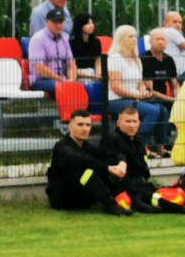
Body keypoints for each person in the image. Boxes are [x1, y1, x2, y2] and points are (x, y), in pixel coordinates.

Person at [46, 109, 129, 216]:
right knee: (84, 169)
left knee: (110, 162)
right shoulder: (62, 147)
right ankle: (111, 205)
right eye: (80, 125)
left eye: (88, 125)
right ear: (70, 126)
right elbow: (81, 159)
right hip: (62, 198)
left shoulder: (87, 146)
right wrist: (108, 168)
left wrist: (122, 163)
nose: (84, 129)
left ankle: (122, 199)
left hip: (81, 197)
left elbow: (110, 154)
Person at [106, 25, 171, 157]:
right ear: (121, 39)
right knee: (152, 111)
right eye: (130, 36)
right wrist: (138, 94)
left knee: (162, 110)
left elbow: (140, 83)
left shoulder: (136, 59)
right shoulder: (115, 58)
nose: (134, 39)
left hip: (134, 98)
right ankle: (141, 148)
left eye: (135, 36)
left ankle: (161, 148)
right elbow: (115, 87)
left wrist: (143, 91)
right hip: (116, 101)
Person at [27, 8, 77, 95]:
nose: (58, 25)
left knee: (83, 87)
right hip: (41, 80)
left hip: (62, 79)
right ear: (46, 22)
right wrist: (60, 79)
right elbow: (40, 68)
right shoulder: (38, 39)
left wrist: (71, 80)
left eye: (61, 22)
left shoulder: (65, 38)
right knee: (63, 87)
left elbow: (71, 64)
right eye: (55, 22)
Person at [140, 28, 178, 111]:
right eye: (157, 39)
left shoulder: (168, 59)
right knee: (171, 106)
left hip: (164, 97)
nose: (160, 42)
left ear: (166, 42)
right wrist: (170, 99)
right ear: (150, 42)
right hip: (151, 97)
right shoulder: (144, 59)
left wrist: (178, 97)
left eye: (163, 39)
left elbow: (174, 84)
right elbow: (149, 89)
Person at [69, 13, 103, 84]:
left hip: (93, 74)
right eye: (88, 23)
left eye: (92, 23)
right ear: (80, 25)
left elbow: (98, 62)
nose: (91, 25)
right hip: (79, 75)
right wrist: (90, 76)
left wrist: (98, 73)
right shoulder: (72, 43)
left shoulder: (96, 42)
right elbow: (71, 67)